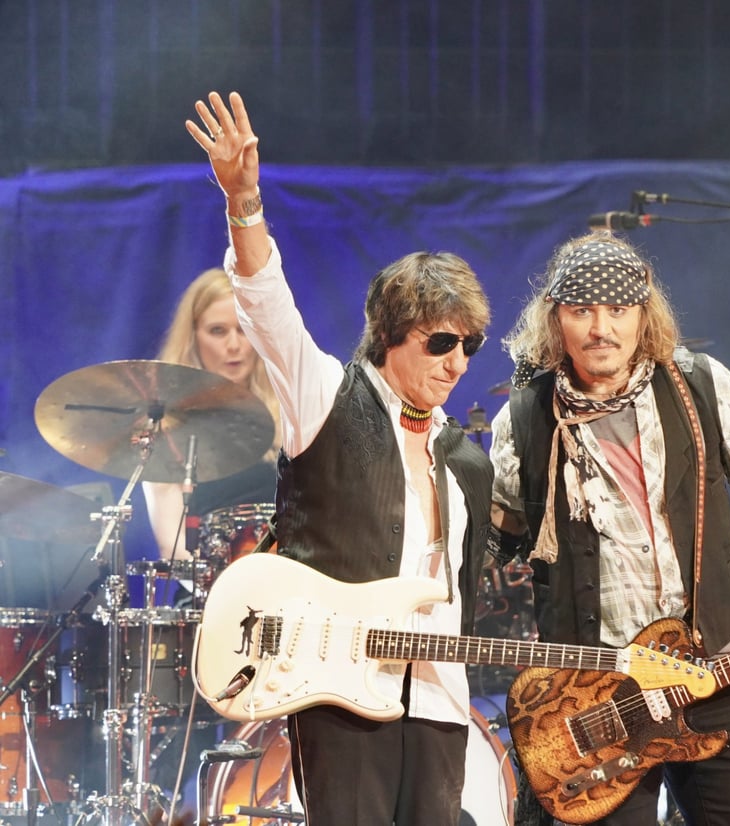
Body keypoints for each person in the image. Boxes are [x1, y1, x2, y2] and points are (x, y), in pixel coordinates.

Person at [185, 90, 493, 826]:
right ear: (391, 335)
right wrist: (245, 201)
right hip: (341, 693)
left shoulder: (466, 460)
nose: (457, 363)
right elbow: (266, 303)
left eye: (469, 345)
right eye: (440, 343)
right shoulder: (327, 395)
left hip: (442, 702)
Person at [489, 231, 730, 826]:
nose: (600, 329)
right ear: (554, 317)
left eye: (618, 309)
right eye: (582, 310)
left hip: (712, 676)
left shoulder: (700, 386)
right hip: (599, 699)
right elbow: (493, 538)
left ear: (644, 315)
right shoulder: (526, 418)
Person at [142, 267, 283, 562]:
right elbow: (173, 545)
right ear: (192, 338)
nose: (234, 345)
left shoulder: (286, 414)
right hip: (205, 591)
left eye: (244, 329)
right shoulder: (166, 426)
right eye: (218, 331)